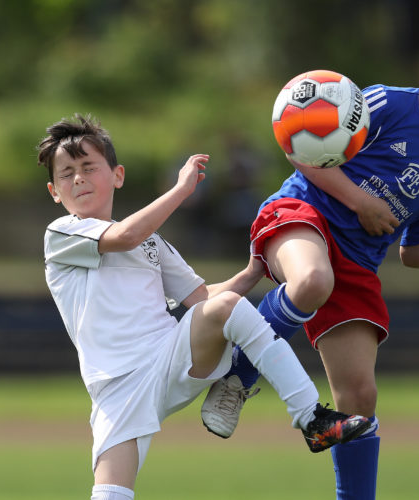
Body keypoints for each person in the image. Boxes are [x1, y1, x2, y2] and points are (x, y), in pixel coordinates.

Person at [200, 21, 419, 500]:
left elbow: (416, 250)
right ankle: (236, 377)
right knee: (313, 280)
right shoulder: (387, 102)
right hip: (301, 218)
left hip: (356, 268)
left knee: (359, 402)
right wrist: (359, 200)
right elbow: (299, 147)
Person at [38, 115, 371, 500]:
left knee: (228, 306)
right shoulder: (62, 234)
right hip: (115, 387)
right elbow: (126, 234)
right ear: (54, 192)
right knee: (111, 493)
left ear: (117, 175)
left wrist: (252, 270)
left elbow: (201, 299)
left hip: (171, 357)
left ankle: (311, 417)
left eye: (88, 167)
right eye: (66, 173)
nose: (78, 178)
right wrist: (182, 190)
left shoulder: (151, 243)